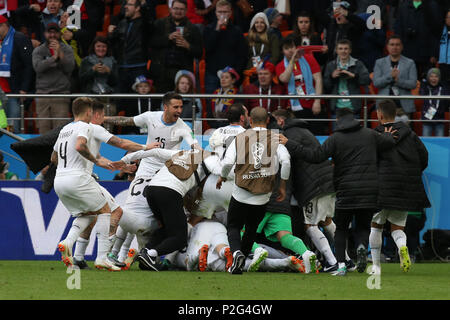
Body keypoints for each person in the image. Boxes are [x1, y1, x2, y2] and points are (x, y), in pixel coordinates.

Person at [279, 107, 397, 276]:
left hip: (345, 189)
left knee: (341, 228)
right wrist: (386, 133)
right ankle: (361, 248)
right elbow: (389, 142)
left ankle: (340, 264)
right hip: (369, 189)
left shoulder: (335, 138)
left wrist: (289, 143)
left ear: (338, 120)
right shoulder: (370, 135)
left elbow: (315, 156)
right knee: (362, 227)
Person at [103, 92, 199, 267]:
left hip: (164, 174)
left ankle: (130, 255)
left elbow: (192, 142)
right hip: (145, 170)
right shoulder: (150, 117)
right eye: (175, 107)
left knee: (138, 214)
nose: (179, 110)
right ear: (165, 107)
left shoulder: (183, 127)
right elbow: (127, 121)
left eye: (180, 107)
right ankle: (119, 254)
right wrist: (104, 118)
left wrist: (196, 148)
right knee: (135, 210)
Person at [71, 100, 160, 269]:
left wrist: (120, 165)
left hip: (69, 179)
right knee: (115, 212)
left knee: (90, 216)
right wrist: (145, 147)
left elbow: (97, 158)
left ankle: (77, 256)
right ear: (95, 114)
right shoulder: (94, 128)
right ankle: (106, 256)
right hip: (82, 180)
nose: (104, 119)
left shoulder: (71, 129)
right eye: (103, 115)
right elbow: (121, 143)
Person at [216, 107, 291, 274]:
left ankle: (236, 253)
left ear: (249, 120)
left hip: (242, 191)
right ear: (267, 121)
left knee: (234, 226)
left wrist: (222, 177)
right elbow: (286, 161)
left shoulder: (240, 137)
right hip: (263, 194)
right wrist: (283, 185)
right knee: (251, 229)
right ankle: (240, 261)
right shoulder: (274, 137)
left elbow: (228, 162)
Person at [272, 109, 343, 272]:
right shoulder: (304, 131)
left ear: (281, 121)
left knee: (309, 225)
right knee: (327, 221)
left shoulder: (288, 135)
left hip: (314, 186)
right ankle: (345, 258)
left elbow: (286, 162)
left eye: (275, 120)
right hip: (326, 182)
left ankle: (333, 262)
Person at [52, 97, 119, 271]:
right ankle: (102, 258)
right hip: (77, 178)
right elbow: (80, 146)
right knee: (106, 211)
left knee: (88, 213)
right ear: (88, 111)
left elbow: (53, 158)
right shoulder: (85, 126)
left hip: (59, 180)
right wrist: (96, 161)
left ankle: (68, 242)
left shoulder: (64, 129)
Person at [368, 99, 431, 275]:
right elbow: (424, 157)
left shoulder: (375, 134)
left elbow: (369, 160)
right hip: (405, 188)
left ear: (379, 114)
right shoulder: (410, 134)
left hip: (382, 188)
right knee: (398, 228)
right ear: (395, 115)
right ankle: (403, 247)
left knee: (376, 226)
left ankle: (376, 266)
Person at [136, 146, 214, 271]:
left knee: (167, 228)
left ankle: (145, 251)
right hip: (170, 191)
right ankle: (150, 255)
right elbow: (203, 192)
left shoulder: (184, 153)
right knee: (180, 238)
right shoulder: (213, 161)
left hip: (152, 189)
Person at [275, 35, 325, 135]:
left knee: (317, 134)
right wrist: (292, 61)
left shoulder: (309, 59)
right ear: (282, 52)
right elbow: (284, 79)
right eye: (286, 48)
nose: (290, 50)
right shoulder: (280, 65)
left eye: (292, 47)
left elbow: (318, 79)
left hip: (313, 103)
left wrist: (317, 101)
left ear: (296, 47)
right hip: (296, 107)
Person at [150, 0, 203, 94]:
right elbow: (151, 43)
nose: (178, 11)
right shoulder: (159, 24)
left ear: (186, 11)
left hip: (183, 75)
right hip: (161, 73)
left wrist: (188, 46)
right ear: (170, 9)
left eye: (181, 9)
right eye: (176, 8)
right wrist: (168, 38)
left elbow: (199, 53)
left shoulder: (193, 29)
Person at [32, 22, 75, 134]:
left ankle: (59, 152)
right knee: (43, 130)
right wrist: (53, 58)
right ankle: (43, 152)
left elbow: (70, 68)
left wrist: (60, 54)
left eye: (55, 32)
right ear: (45, 34)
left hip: (61, 95)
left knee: (60, 132)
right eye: (49, 32)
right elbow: (38, 67)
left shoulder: (67, 49)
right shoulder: (39, 50)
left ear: (60, 34)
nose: (52, 35)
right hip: (42, 95)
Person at [108, 0, 151, 98]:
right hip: (122, 68)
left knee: (138, 101)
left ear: (137, 8)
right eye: (126, 4)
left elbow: (149, 19)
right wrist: (110, 35)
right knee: (122, 102)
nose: (126, 7)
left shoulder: (145, 23)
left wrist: (144, 6)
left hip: (138, 67)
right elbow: (114, 44)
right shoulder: (122, 23)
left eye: (130, 5)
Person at [203, 0, 248, 94]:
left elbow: (242, 55)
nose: (222, 15)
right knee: (211, 105)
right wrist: (216, 30)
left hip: (231, 76)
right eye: (220, 12)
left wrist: (235, 74)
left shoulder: (237, 31)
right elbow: (207, 48)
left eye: (225, 12)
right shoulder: (208, 29)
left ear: (230, 13)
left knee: (231, 106)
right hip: (212, 74)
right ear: (215, 13)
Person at [0, 15, 34, 134]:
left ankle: (13, 151)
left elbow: (29, 65)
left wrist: (24, 88)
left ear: (5, 25)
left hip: (13, 91)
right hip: (1, 92)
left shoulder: (19, 38)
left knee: (13, 126)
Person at [323, 39, 370, 119]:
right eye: (340, 49)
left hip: (353, 107)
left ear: (350, 50)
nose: (343, 51)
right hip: (336, 107)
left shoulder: (358, 64)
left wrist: (354, 76)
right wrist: (332, 77)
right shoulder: (331, 65)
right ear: (336, 51)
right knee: (338, 131)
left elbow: (367, 80)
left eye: (346, 48)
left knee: (354, 131)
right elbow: (326, 87)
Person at [373, 35, 418, 119]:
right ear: (387, 47)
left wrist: (398, 80)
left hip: (403, 107)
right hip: (385, 107)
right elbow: (376, 83)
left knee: (403, 130)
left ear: (402, 47)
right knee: (387, 131)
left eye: (397, 45)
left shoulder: (410, 63)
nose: (395, 47)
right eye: (392, 44)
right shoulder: (379, 63)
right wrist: (390, 76)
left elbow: (413, 84)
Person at [393, 0, 441, 80]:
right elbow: (398, 29)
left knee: (425, 82)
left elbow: (436, 31)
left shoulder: (432, 5)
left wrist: (434, 53)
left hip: (426, 53)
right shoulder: (403, 6)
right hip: (407, 51)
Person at [419, 68, 449, 137]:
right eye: (431, 76)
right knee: (426, 142)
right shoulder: (425, 87)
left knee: (439, 142)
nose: (433, 79)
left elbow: (447, 103)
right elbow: (421, 93)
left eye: (436, 76)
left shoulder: (443, 88)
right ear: (428, 78)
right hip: (427, 120)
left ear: (439, 78)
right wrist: (425, 84)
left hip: (439, 119)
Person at [438, 10, 450, 88]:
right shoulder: (440, 30)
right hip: (442, 63)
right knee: (443, 86)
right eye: (448, 17)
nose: (449, 19)